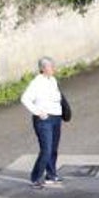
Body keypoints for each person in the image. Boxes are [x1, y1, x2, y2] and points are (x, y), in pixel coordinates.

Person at [21, 56, 64, 188]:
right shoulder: (36, 82)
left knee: (53, 149)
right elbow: (25, 99)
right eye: (51, 66)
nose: (53, 69)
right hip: (44, 120)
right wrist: (37, 112)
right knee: (46, 149)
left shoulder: (53, 80)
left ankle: (51, 175)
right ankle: (36, 178)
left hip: (56, 118)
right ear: (43, 69)